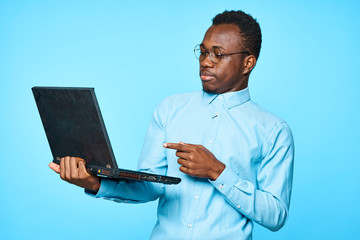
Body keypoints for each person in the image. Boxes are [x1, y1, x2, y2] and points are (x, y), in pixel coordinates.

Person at [49, 10, 294, 240]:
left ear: (248, 63)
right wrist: (94, 182)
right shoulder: (170, 109)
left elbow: (276, 215)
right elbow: (150, 188)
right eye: (203, 51)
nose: (206, 62)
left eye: (218, 54)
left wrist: (217, 172)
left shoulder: (273, 130)